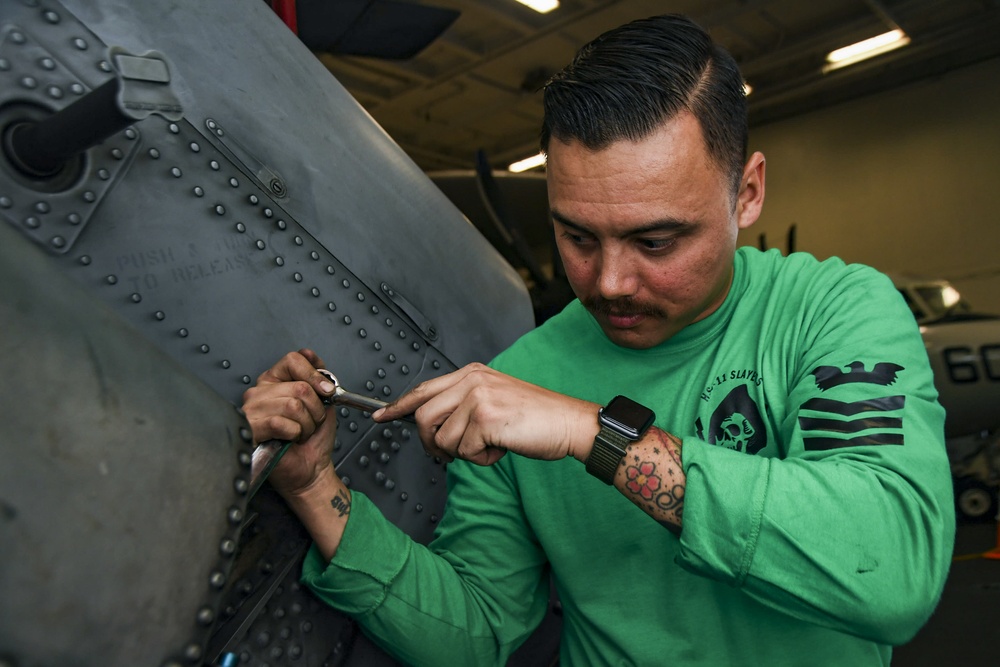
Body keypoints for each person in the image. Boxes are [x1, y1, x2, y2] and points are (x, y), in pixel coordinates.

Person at [242, 13, 955, 666]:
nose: (610, 281)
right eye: (577, 235)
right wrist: (313, 486)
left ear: (748, 192)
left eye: (656, 240)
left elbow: (891, 571)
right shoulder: (523, 376)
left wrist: (594, 432)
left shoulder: (833, 311)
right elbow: (476, 630)